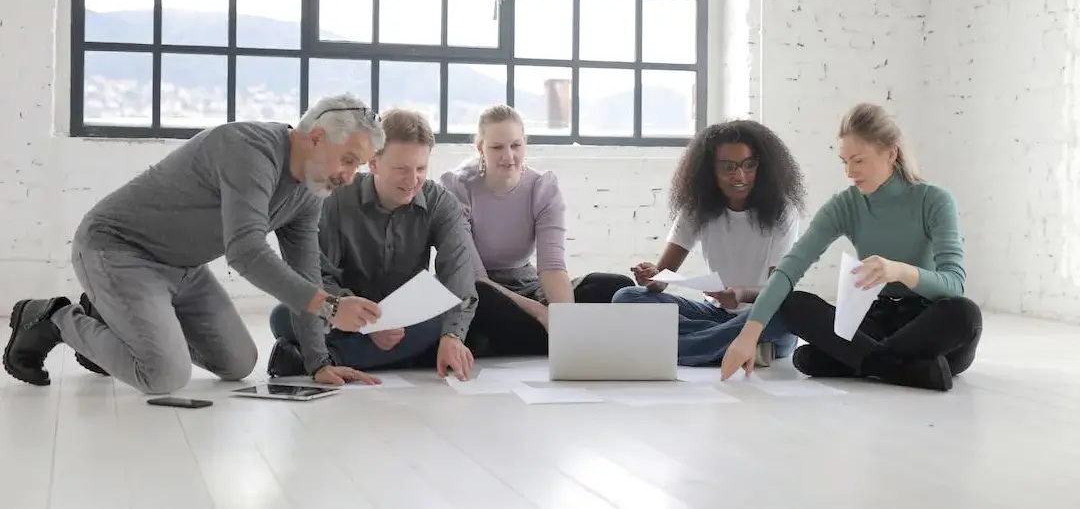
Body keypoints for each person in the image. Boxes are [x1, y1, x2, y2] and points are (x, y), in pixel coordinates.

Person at [3, 94, 387, 394]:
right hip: (117, 250)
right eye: (349, 161)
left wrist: (318, 362)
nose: (350, 177)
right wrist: (331, 306)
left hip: (183, 269)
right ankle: (53, 318)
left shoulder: (310, 191)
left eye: (358, 166)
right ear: (316, 138)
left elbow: (305, 274)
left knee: (238, 363)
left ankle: (110, 317)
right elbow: (246, 250)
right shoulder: (249, 149)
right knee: (163, 374)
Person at [720, 103, 983, 392]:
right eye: (844, 161)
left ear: (891, 153)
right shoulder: (846, 205)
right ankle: (909, 370)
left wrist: (898, 271)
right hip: (875, 320)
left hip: (928, 325)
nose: (849, 172)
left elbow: (954, 284)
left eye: (858, 160)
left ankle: (862, 361)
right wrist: (749, 334)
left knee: (965, 314)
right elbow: (791, 267)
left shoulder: (934, 200)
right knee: (793, 304)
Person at [267, 108, 478, 384]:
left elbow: (459, 275)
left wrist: (453, 336)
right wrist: (365, 323)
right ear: (374, 163)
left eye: (421, 169)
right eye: (401, 169)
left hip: (407, 320)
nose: (413, 180)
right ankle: (398, 355)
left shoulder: (441, 203)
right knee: (283, 316)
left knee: (447, 322)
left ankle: (321, 359)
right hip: (345, 314)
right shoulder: (337, 200)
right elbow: (316, 274)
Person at [440, 104, 634, 357]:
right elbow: (475, 277)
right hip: (482, 289)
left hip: (527, 283)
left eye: (515, 146)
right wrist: (540, 313)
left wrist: (565, 322)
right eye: (497, 147)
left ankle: (515, 341)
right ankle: (535, 337)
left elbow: (552, 266)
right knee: (480, 300)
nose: (508, 156)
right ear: (480, 148)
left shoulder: (542, 188)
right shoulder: (458, 187)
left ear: (525, 144)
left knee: (616, 287)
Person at [612, 119, 805, 367]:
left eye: (749, 164)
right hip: (714, 314)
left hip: (761, 315)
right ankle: (734, 345)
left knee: (787, 314)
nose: (740, 175)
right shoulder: (696, 209)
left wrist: (742, 294)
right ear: (709, 171)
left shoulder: (782, 211)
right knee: (626, 297)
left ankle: (681, 347)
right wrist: (651, 276)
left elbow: (777, 291)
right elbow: (661, 280)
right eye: (728, 167)